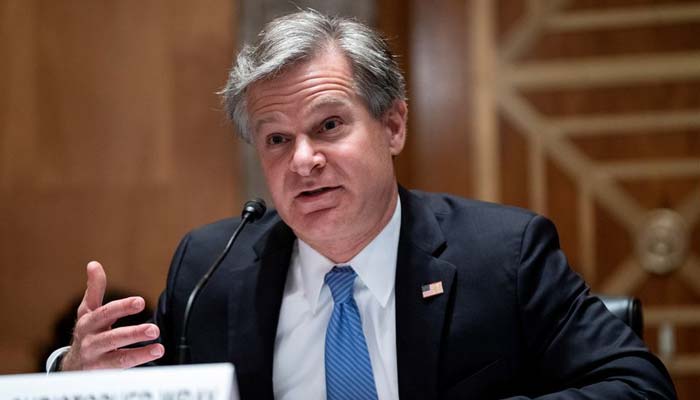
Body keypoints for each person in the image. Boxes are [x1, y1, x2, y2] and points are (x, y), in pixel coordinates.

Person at [50, 9, 677, 400]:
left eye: (328, 126)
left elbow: (638, 386)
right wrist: (78, 377)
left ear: (393, 126)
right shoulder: (210, 268)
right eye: (277, 139)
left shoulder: (503, 254)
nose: (302, 160)